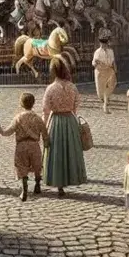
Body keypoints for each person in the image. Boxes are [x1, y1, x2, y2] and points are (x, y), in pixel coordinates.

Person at [41, 58, 87, 196]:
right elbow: (76, 105)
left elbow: (45, 109)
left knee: (57, 152)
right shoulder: (72, 86)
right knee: (70, 151)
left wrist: (44, 128)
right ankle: (71, 177)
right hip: (70, 120)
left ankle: (58, 183)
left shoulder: (50, 88)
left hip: (56, 121)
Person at [0, 92, 46, 201]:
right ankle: (37, 184)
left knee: (21, 166)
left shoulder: (18, 118)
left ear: (21, 104)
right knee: (37, 165)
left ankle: (24, 189)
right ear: (33, 103)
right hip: (34, 144)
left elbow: (8, 132)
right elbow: (45, 133)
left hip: (21, 145)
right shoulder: (38, 118)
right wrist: (47, 143)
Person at [92, 31, 117, 114]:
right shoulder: (97, 52)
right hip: (100, 71)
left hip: (109, 70)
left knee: (111, 85)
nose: (104, 45)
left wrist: (115, 69)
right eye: (102, 44)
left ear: (107, 43)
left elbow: (113, 61)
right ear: (100, 44)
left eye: (105, 44)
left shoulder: (111, 51)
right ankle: (103, 99)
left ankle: (106, 99)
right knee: (101, 88)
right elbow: (94, 63)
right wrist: (96, 63)